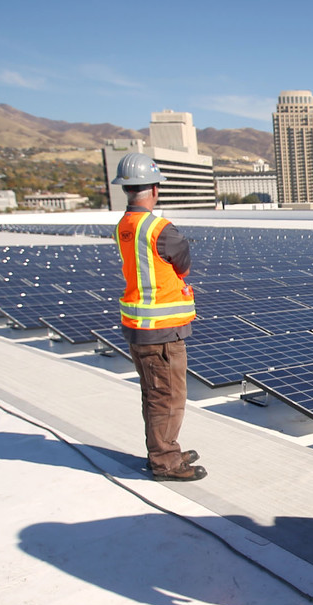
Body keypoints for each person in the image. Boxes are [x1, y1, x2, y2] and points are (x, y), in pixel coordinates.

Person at [110, 153, 206, 482]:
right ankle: (166, 461)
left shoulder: (124, 226)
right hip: (161, 332)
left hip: (140, 328)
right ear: (154, 188)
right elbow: (184, 266)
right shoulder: (159, 229)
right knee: (167, 396)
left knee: (155, 393)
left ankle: (166, 448)